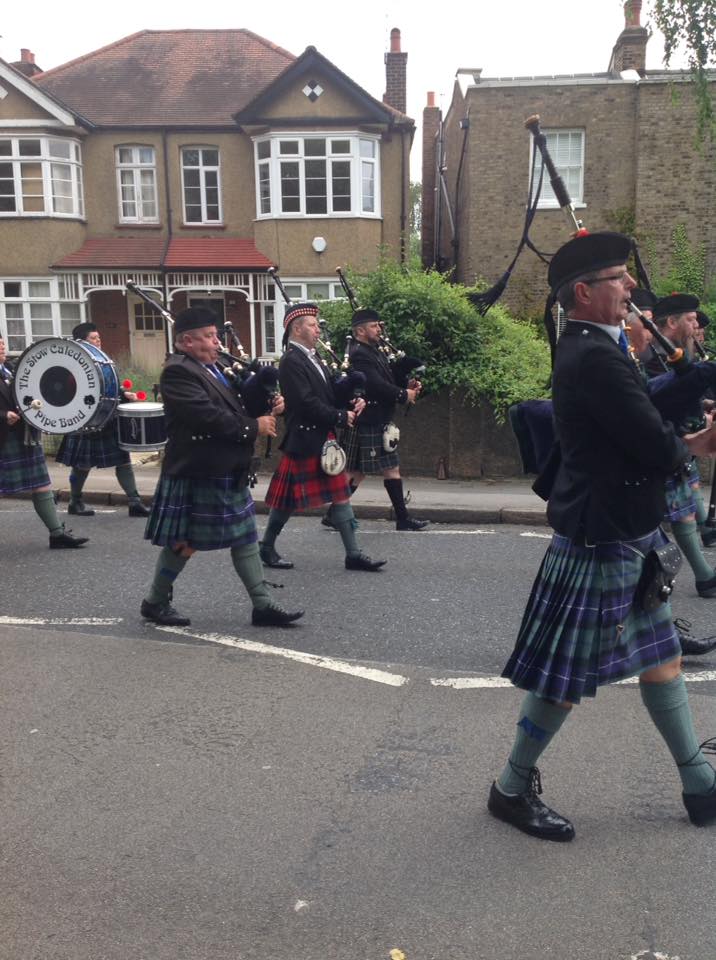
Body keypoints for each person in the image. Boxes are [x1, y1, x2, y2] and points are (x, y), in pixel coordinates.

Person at [488, 232, 716, 842]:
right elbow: (649, 440)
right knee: (561, 682)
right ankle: (510, 789)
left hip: (625, 532)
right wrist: (696, 445)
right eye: (619, 277)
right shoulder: (593, 356)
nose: (632, 285)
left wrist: (690, 409)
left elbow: (639, 414)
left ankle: (699, 783)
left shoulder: (600, 345)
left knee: (663, 662)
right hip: (602, 537)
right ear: (584, 293)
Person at [140, 306, 303, 627]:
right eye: (210, 336)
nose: (217, 342)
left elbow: (240, 403)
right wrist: (254, 427)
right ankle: (155, 601)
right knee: (185, 543)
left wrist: (270, 401)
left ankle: (262, 605)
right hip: (198, 469)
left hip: (225, 466)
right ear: (187, 341)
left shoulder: (217, 366)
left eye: (216, 336)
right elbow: (207, 416)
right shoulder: (177, 372)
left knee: (245, 536)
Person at [260, 302, 386, 572]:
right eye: (312, 325)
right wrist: (339, 417)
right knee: (286, 501)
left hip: (321, 436)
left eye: (317, 325)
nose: (318, 329)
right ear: (297, 329)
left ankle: (353, 554)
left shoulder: (313, 357)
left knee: (341, 494)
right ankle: (266, 546)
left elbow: (328, 393)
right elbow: (305, 402)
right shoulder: (291, 361)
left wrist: (352, 398)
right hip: (304, 438)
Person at [324, 308, 428, 532]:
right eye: (374, 326)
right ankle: (334, 514)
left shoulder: (375, 350)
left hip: (379, 419)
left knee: (388, 468)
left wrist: (406, 385)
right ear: (360, 331)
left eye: (379, 325)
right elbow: (374, 385)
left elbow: (386, 378)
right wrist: (403, 395)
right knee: (356, 472)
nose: (379, 329)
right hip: (367, 419)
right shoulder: (359, 354)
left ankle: (402, 519)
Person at [647, 295, 716, 592]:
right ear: (672, 322)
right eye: (691, 319)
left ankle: (704, 572)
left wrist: (704, 407)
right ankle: (704, 577)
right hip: (660, 441)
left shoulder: (675, 353)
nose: (696, 325)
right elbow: (657, 399)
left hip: (675, 441)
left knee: (684, 504)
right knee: (678, 511)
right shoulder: (654, 358)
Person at [55, 323, 150, 518]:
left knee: (123, 461)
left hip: (107, 418)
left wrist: (124, 394)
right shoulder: (71, 366)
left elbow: (111, 386)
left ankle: (135, 502)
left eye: (99, 338)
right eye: (94, 338)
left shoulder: (103, 361)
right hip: (84, 420)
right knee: (81, 465)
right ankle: (75, 502)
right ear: (82, 342)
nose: (98, 341)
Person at [0, 336, 88, 549]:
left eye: (1, 342)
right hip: (3, 438)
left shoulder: (12, 369)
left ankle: (57, 533)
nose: (2, 346)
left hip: (24, 435)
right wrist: (3, 415)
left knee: (41, 484)